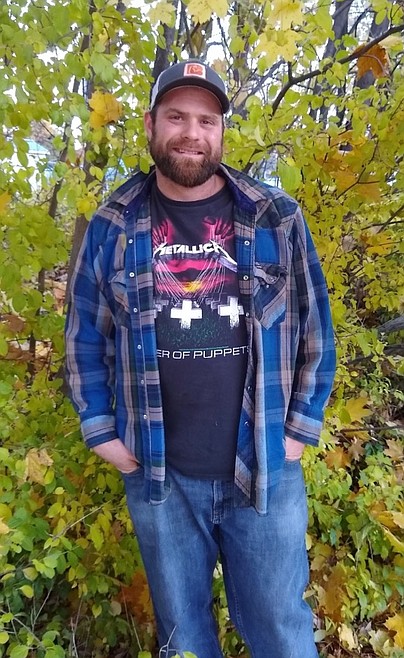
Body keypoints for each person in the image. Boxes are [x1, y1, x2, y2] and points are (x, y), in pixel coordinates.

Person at [65, 59, 336, 658]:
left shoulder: (276, 217)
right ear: (150, 124)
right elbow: (85, 336)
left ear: (221, 132)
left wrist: (297, 432)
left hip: (265, 466)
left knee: (283, 634)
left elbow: (316, 328)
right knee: (183, 636)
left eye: (206, 121)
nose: (192, 133)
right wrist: (103, 432)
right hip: (159, 474)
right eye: (177, 117)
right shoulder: (112, 224)